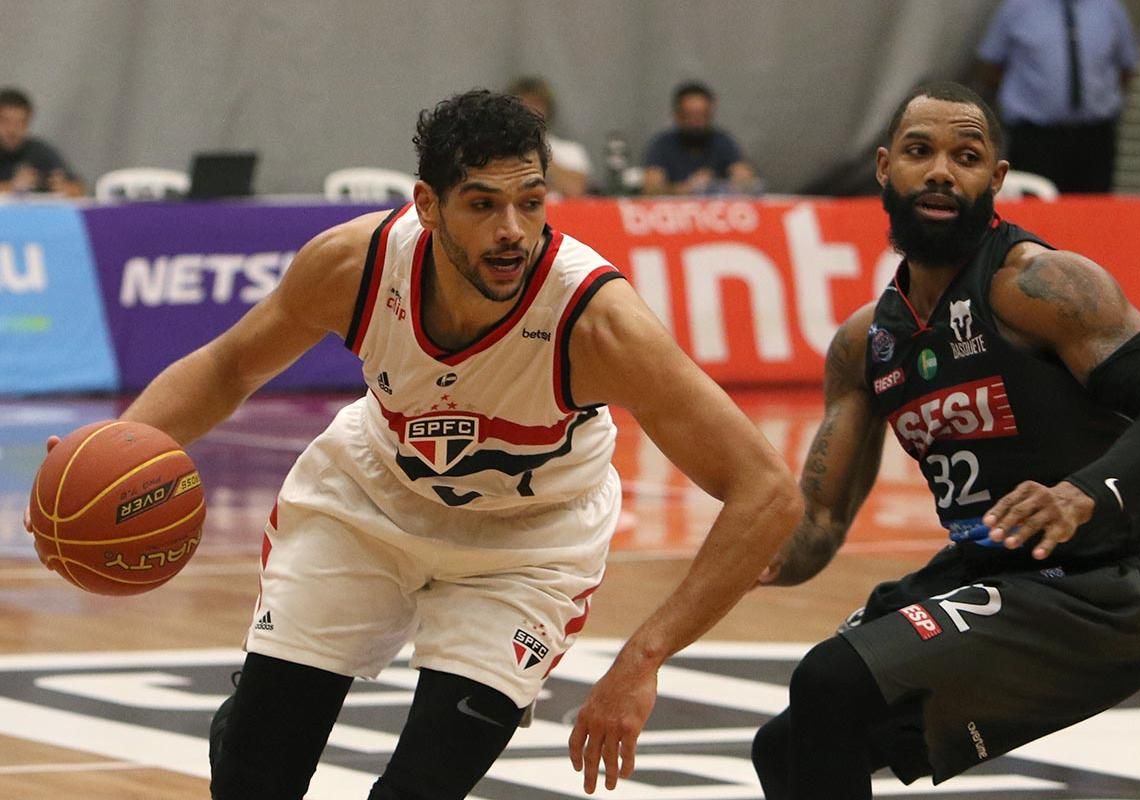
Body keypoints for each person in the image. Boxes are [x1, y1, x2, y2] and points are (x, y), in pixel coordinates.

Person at [25, 89, 801, 798]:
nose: (512, 232)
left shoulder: (597, 323)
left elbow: (766, 489)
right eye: (483, 205)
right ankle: (253, 715)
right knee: (257, 771)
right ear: (427, 204)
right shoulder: (355, 264)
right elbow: (230, 364)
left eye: (531, 204)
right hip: (368, 499)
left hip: (527, 547)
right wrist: (114, 449)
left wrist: (644, 658)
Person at [750, 81, 1140, 798]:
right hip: (988, 572)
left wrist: (1082, 495)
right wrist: (748, 551)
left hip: (1102, 590)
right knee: (788, 747)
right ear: (884, 166)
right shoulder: (866, 343)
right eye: (921, 151)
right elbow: (822, 523)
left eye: (965, 156)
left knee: (830, 681)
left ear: (995, 180)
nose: (940, 171)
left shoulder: (1042, 285)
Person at [975, 0, 1139, 193]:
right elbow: (991, 66)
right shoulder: (1017, 8)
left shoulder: (1109, 9)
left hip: (1095, 137)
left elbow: (1125, 68)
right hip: (1035, 138)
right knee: (1035, 210)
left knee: (1092, 213)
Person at [640, 80, 759, 196]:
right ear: (677, 115)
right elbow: (650, 189)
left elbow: (745, 177)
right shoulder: (662, 144)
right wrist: (686, 188)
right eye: (690, 115)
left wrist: (720, 184)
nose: (697, 122)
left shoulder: (723, 142)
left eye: (703, 115)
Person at [507, 75, 593, 198]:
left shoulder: (571, 150)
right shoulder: (499, 152)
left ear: (548, 108)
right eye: (523, 104)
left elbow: (575, 191)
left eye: (536, 103)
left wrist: (538, 147)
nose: (529, 110)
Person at [0, 87, 83, 197]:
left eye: (20, 123)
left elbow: (78, 189)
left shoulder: (39, 151)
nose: (12, 130)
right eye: (5, 121)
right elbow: (13, 188)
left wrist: (63, 188)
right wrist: (12, 187)